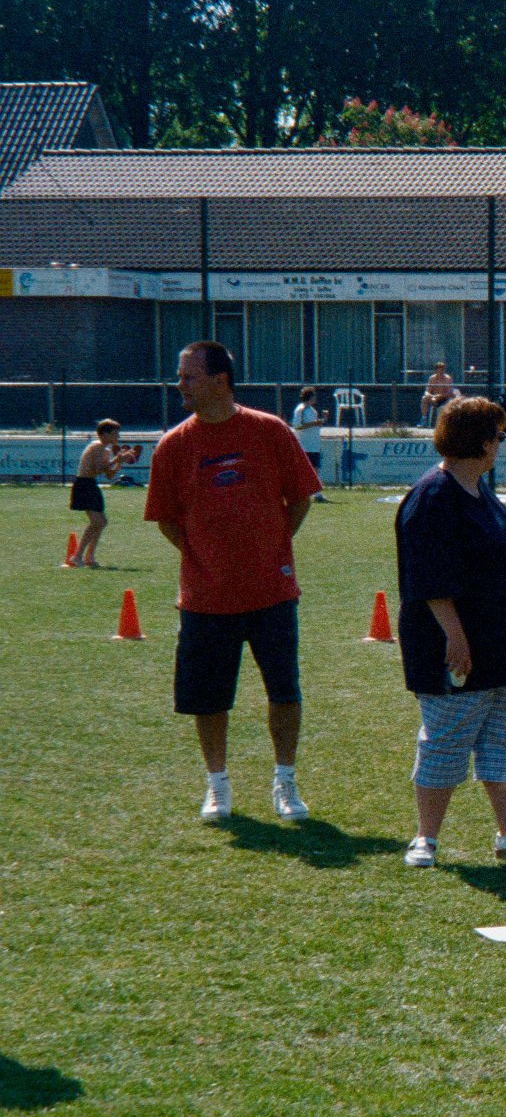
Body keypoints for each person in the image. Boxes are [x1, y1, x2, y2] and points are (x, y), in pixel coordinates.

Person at [145, 340, 324, 824]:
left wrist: (271, 546)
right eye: (180, 376)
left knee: (284, 691)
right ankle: (217, 785)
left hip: (272, 592)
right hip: (205, 598)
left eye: (188, 376)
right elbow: (166, 520)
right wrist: (207, 556)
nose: (179, 385)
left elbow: (301, 497)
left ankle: (285, 781)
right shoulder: (173, 446)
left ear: (220, 380)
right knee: (209, 698)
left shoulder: (269, 431)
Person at [395, 398, 506, 870]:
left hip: (504, 650)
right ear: (481, 442)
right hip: (460, 647)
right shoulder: (433, 497)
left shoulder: (478, 489)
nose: (501, 444)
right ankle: (426, 837)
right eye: (498, 436)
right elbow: (429, 578)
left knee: (503, 739)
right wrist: (455, 638)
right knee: (445, 740)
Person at [67, 418, 136, 567]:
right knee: (96, 522)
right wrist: (117, 458)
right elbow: (98, 469)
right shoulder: (97, 446)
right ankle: (77, 557)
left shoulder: (106, 450)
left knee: (102, 522)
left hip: (91, 485)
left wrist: (120, 462)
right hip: (84, 485)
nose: (118, 436)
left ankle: (89, 557)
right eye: (115, 433)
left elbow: (109, 475)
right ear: (105, 434)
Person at [289, 388, 329, 502]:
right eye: (314, 396)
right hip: (304, 445)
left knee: (315, 469)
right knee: (303, 470)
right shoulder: (301, 409)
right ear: (309, 397)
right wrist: (315, 423)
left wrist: (323, 420)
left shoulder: (312, 410)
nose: (315, 398)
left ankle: (317, 494)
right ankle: (299, 493)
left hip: (313, 445)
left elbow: (314, 426)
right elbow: (297, 426)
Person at [419, 362, 458, 428]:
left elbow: (450, 393)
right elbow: (427, 391)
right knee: (424, 398)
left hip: (445, 399)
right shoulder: (432, 378)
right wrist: (432, 396)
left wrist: (441, 396)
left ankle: (445, 424)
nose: (440, 372)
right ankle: (424, 420)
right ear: (436, 370)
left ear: (444, 370)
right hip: (434, 398)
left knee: (450, 402)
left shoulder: (448, 379)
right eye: (438, 370)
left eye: (442, 370)